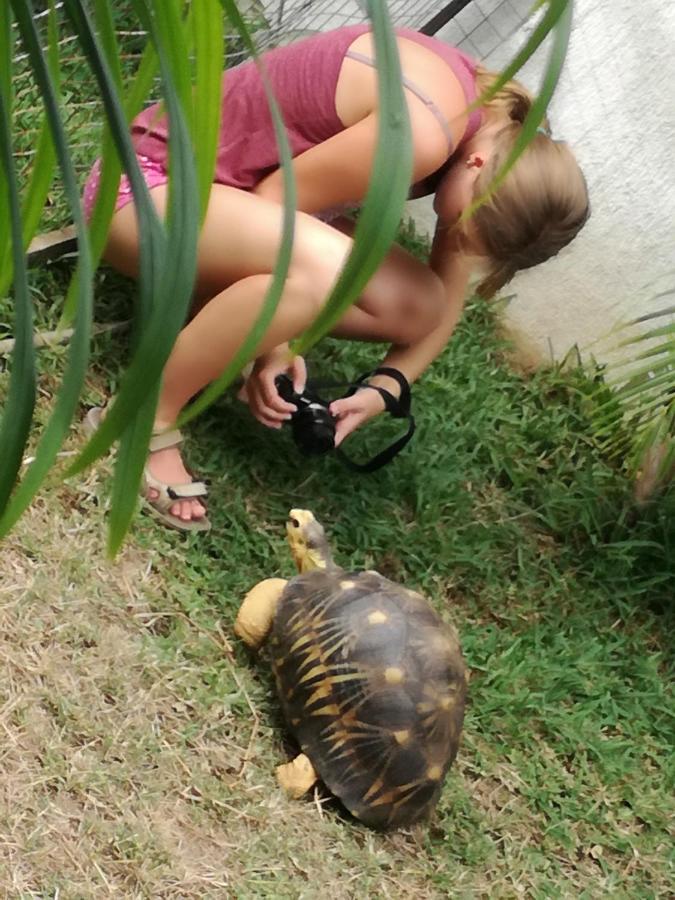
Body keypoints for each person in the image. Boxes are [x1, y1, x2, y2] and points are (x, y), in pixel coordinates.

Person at [83, 23, 589, 532]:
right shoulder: (423, 133)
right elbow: (276, 200)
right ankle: (144, 417)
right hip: (144, 193)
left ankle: (217, 329)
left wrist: (384, 389)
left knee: (417, 303)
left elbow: (442, 304)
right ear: (477, 166)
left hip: (227, 206)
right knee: (322, 270)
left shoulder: (497, 137)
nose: (453, 239)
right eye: (461, 228)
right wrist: (275, 346)